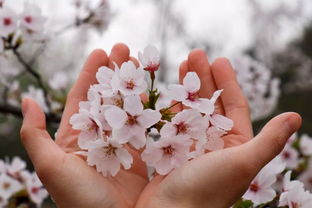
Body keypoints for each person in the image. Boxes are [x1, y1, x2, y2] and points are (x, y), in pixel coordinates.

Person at [20, 43, 301, 208]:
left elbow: (152, 118)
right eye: (130, 117)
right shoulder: (125, 115)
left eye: (132, 117)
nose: (130, 118)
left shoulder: (163, 118)